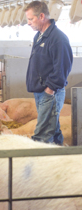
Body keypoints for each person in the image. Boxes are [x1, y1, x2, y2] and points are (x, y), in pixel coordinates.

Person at [25, 1, 73, 145]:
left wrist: (49, 90)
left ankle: (37, 162)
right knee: (53, 127)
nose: (28, 23)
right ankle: (61, 157)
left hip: (51, 93)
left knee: (42, 133)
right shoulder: (39, 36)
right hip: (41, 91)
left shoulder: (58, 38)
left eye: (30, 19)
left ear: (41, 16)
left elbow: (62, 67)